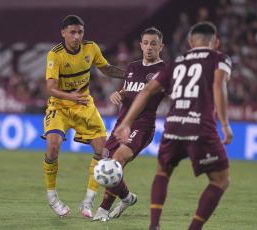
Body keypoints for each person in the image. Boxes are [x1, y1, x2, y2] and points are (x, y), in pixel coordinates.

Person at [114, 22, 233, 230]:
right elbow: (218, 84)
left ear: (190, 42)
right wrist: (224, 124)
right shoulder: (219, 57)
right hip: (200, 126)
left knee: (162, 173)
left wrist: (125, 123)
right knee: (220, 180)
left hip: (173, 127)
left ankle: (154, 225)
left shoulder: (175, 63)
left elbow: (145, 92)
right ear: (216, 43)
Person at [42, 15, 125, 218]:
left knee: (103, 149)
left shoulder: (91, 48)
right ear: (63, 33)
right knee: (52, 146)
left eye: (80, 32)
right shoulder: (55, 55)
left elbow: (107, 69)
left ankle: (88, 201)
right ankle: (52, 197)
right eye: (72, 32)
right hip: (60, 106)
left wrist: (131, 74)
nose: (77, 36)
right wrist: (70, 96)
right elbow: (51, 88)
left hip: (84, 104)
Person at [92, 27, 167, 222]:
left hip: (142, 127)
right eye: (146, 43)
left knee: (116, 161)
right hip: (121, 124)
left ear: (161, 46)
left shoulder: (165, 72)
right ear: (141, 45)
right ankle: (127, 198)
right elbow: (128, 90)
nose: (149, 47)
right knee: (105, 163)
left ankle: (102, 211)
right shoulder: (132, 68)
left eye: (153, 43)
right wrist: (119, 94)